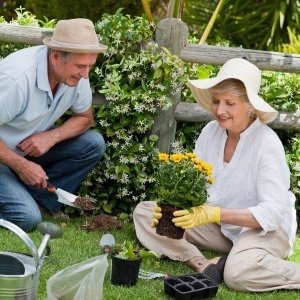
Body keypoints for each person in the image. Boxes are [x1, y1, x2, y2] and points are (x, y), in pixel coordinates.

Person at [133, 58, 299, 291]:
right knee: (146, 213)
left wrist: (215, 213)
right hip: (220, 227)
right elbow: (198, 189)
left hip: (267, 231)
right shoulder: (210, 132)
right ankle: (201, 263)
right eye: (216, 101)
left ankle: (236, 263)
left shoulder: (267, 144)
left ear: (250, 105)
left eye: (230, 103)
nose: (220, 111)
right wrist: (174, 207)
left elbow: (271, 215)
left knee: (236, 275)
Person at [0, 19, 107, 232]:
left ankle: (36, 202)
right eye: (80, 66)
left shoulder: (76, 76)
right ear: (56, 56)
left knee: (94, 143)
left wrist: (52, 137)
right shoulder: (16, 78)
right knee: (27, 219)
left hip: (24, 151)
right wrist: (21, 166)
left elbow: (85, 117)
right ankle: (24, 205)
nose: (85, 75)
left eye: (89, 66)